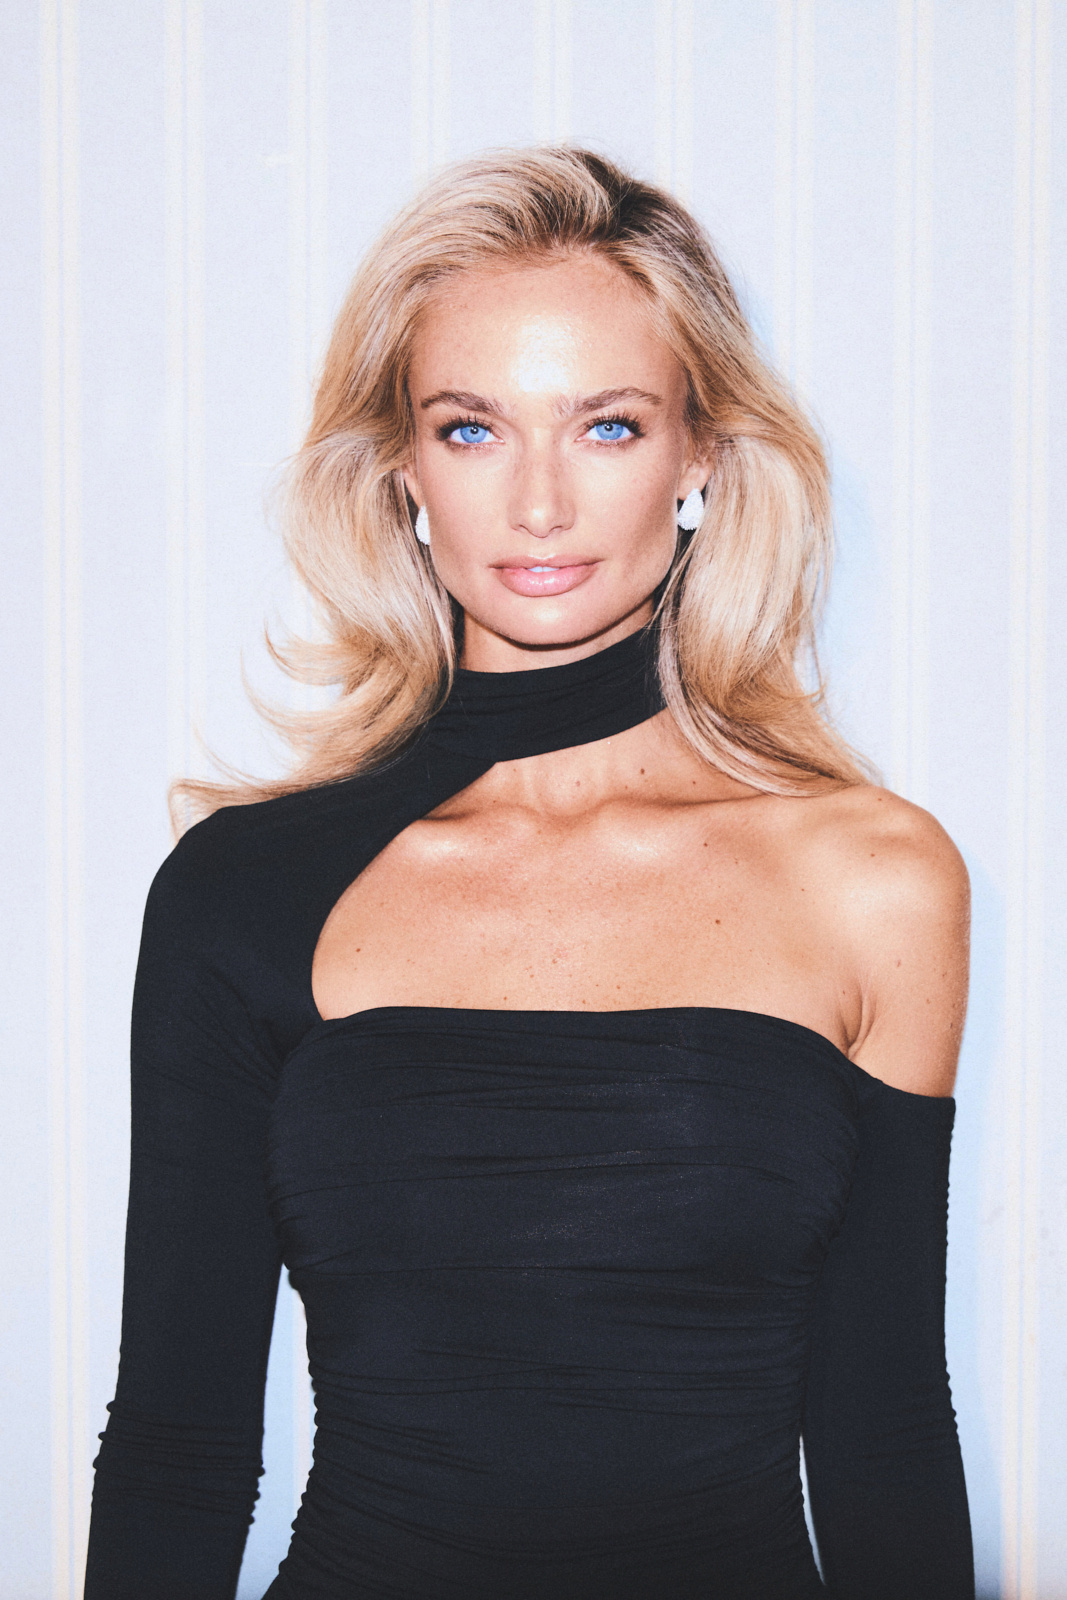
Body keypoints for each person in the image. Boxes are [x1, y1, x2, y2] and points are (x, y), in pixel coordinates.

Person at [84, 147, 974, 1599]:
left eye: (608, 426)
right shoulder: (241, 890)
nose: (541, 504)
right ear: (403, 468)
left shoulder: (876, 878)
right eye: (475, 429)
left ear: (701, 456)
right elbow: (179, 1442)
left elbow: (883, 1434)